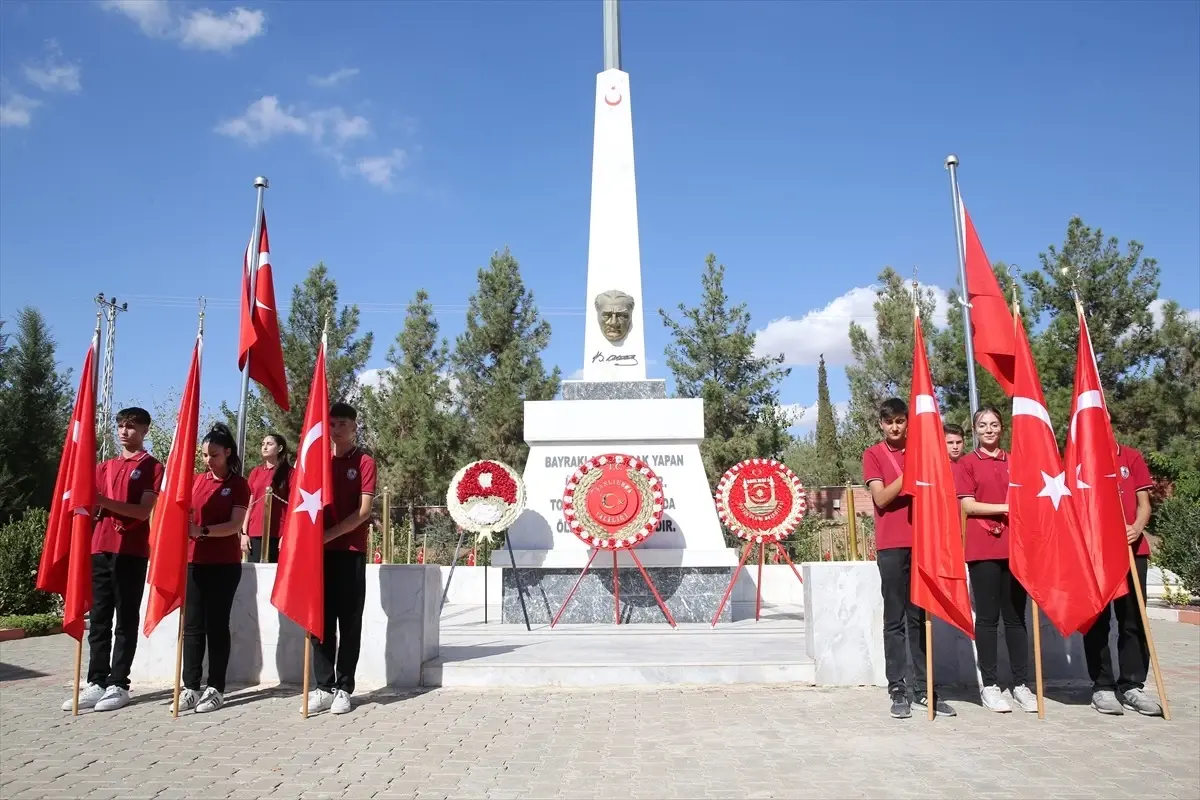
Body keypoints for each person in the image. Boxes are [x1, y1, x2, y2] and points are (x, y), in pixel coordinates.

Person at [63, 407, 163, 713]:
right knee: (99, 619)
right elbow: (90, 507)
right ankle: (96, 681)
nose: (123, 432)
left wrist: (103, 502)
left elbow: (142, 511)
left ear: (144, 430)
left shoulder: (151, 466)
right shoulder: (103, 467)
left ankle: (119, 683)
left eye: (130, 427)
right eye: (120, 426)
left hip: (130, 551)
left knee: (125, 619)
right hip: (100, 547)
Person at [863, 397, 955, 719]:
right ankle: (898, 689)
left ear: (907, 423)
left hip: (922, 545)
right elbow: (881, 498)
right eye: (889, 422)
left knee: (920, 619)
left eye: (900, 421)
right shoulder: (873, 455)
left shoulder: (922, 454)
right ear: (881, 424)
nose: (895, 427)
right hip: (891, 547)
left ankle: (924, 689)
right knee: (895, 619)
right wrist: (909, 473)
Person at [955, 407, 1037, 713]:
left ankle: (1021, 684)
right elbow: (968, 506)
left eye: (993, 424)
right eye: (982, 425)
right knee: (988, 618)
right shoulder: (967, 464)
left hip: (1015, 549)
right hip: (983, 550)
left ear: (1002, 428)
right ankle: (990, 685)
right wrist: (1006, 507)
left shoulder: (1016, 462)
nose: (988, 430)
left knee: (1016, 618)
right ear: (975, 430)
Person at [1082, 440, 1163, 716]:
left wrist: (1137, 528)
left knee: (1133, 620)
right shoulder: (1083, 458)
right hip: (1097, 553)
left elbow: (1144, 504)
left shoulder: (1130, 457)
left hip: (1132, 550)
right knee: (1098, 619)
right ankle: (1102, 687)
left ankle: (1132, 685)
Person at [309, 402, 376, 715]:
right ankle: (322, 687)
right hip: (318, 556)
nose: (336, 430)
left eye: (342, 424)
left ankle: (343, 687)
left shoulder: (364, 462)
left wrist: (329, 535)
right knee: (320, 623)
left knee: (349, 623)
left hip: (349, 553)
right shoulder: (317, 461)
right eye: (332, 424)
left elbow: (363, 512)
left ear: (353, 426)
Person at [178, 424, 250, 714]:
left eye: (214, 455)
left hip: (224, 564)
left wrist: (202, 531)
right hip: (194, 562)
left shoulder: (238, 485)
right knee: (192, 626)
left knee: (217, 626)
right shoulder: (196, 481)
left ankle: (216, 687)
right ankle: (190, 686)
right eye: (204, 455)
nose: (208, 460)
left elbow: (234, 525)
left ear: (228, 452)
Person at [242, 433, 292, 563]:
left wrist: (287, 534)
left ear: (280, 448)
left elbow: (293, 507)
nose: (264, 447)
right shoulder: (256, 472)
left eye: (269, 444)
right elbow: (249, 504)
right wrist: (244, 533)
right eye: (263, 444)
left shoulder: (289, 473)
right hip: (255, 531)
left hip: (278, 533)